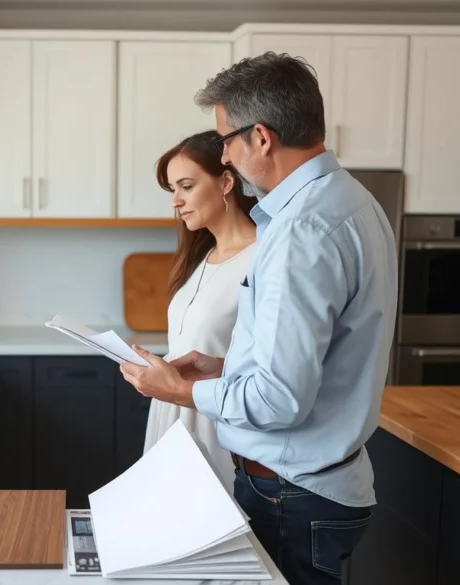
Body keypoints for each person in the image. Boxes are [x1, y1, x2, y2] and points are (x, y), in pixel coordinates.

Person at [119, 51, 398, 585]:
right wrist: (224, 366)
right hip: (321, 485)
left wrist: (182, 392)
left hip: (290, 493)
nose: (224, 154)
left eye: (227, 140)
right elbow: (310, 363)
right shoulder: (354, 202)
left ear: (261, 138)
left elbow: (278, 399)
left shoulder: (300, 231)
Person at [143, 130, 257, 488]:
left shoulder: (262, 258)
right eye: (172, 190)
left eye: (186, 186)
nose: (176, 201)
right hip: (171, 421)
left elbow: (269, 369)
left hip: (217, 432)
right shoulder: (201, 257)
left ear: (226, 182)